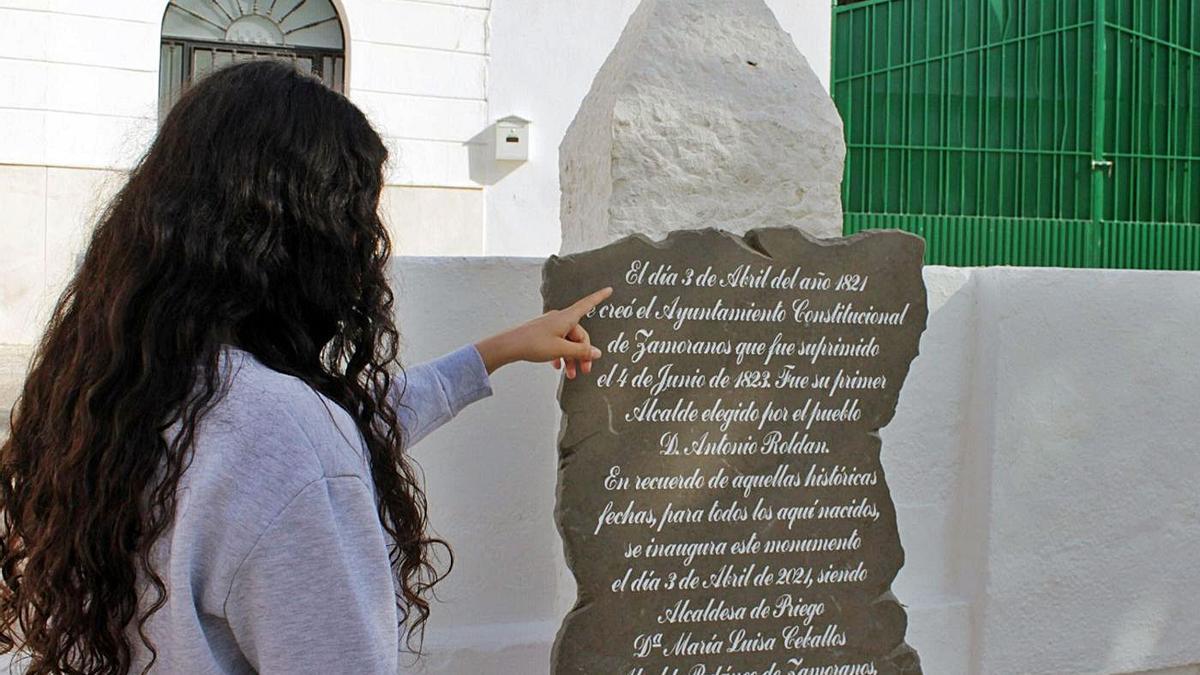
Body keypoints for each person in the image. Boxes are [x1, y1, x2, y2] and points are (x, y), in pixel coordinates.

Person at [0, 59, 610, 674]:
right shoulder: (281, 432)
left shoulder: (119, 386)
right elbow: (301, 457)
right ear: (307, 233)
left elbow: (352, 427)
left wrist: (497, 351)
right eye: (357, 215)